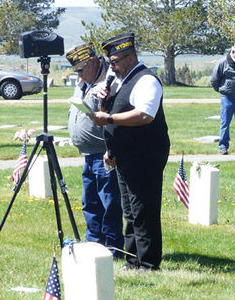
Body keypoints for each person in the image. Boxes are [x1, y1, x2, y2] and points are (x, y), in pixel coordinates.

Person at [90, 33, 170, 272]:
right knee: (129, 209)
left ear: (130, 56)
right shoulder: (119, 80)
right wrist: (104, 105)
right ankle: (133, 258)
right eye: (110, 63)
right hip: (125, 154)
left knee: (144, 208)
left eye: (115, 62)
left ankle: (149, 262)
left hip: (145, 153)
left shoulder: (146, 81)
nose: (111, 67)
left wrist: (110, 117)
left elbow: (144, 115)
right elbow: (110, 119)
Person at [65, 42, 124, 258]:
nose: (79, 75)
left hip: (104, 153)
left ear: (92, 62)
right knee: (89, 202)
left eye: (81, 69)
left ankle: (112, 247)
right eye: (76, 71)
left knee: (109, 201)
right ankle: (94, 245)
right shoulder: (85, 80)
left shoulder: (109, 80)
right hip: (88, 155)